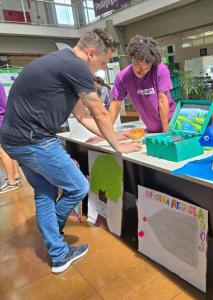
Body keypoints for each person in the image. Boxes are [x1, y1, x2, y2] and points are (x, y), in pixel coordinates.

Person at [0, 28, 142, 274]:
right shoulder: (76, 66)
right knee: (79, 186)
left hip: (15, 140)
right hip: (35, 141)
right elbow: (98, 110)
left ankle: (58, 254)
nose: (100, 69)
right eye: (103, 62)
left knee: (45, 192)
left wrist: (114, 135)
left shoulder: (61, 63)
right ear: (90, 53)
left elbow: (83, 116)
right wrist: (117, 148)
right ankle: (53, 233)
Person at [106, 35, 176, 133]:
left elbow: (162, 101)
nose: (141, 71)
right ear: (132, 58)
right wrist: (106, 132)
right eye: (137, 65)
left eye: (147, 67)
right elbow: (115, 104)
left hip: (172, 125)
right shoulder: (123, 77)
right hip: (152, 129)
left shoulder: (160, 69)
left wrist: (165, 132)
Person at [0, 83, 22, 194]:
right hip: (4, 120)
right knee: (9, 150)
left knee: (3, 153)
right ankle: (16, 176)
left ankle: (11, 181)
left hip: (1, 121)